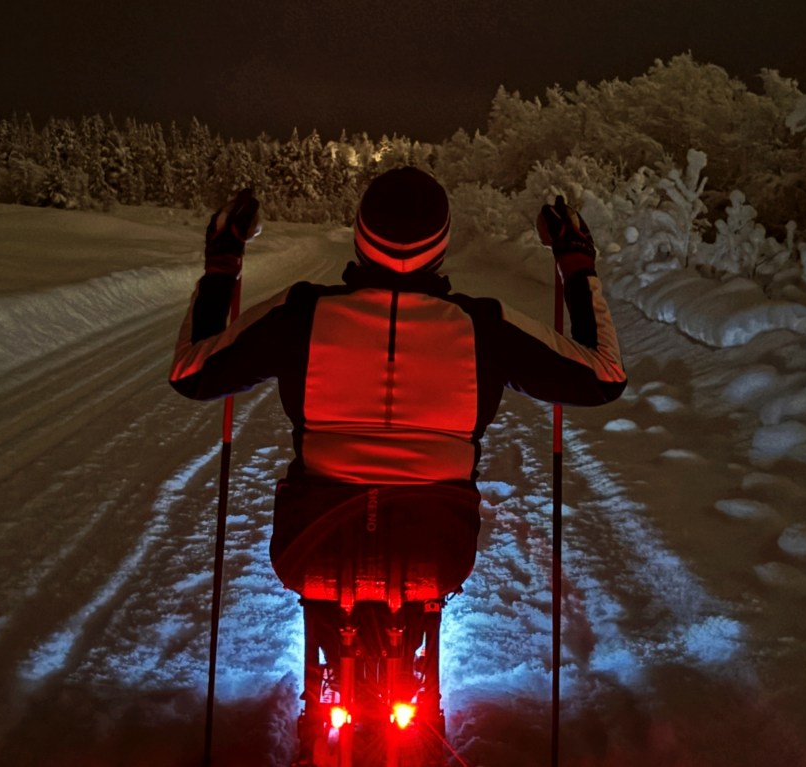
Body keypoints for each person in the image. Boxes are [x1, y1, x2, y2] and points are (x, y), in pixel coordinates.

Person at [168, 166, 626, 607]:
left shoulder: (301, 314)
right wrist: (577, 263)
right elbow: (603, 376)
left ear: (361, 235)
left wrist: (223, 262)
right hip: (439, 552)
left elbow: (192, 372)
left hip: (309, 546)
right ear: (441, 244)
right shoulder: (483, 326)